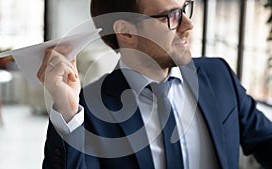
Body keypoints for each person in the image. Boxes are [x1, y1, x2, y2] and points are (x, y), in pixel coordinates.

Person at [37, 0, 272, 168]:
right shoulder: (86, 110)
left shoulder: (219, 75)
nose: (188, 25)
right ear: (126, 32)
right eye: (171, 16)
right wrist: (67, 111)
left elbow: (266, 141)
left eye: (185, 9)